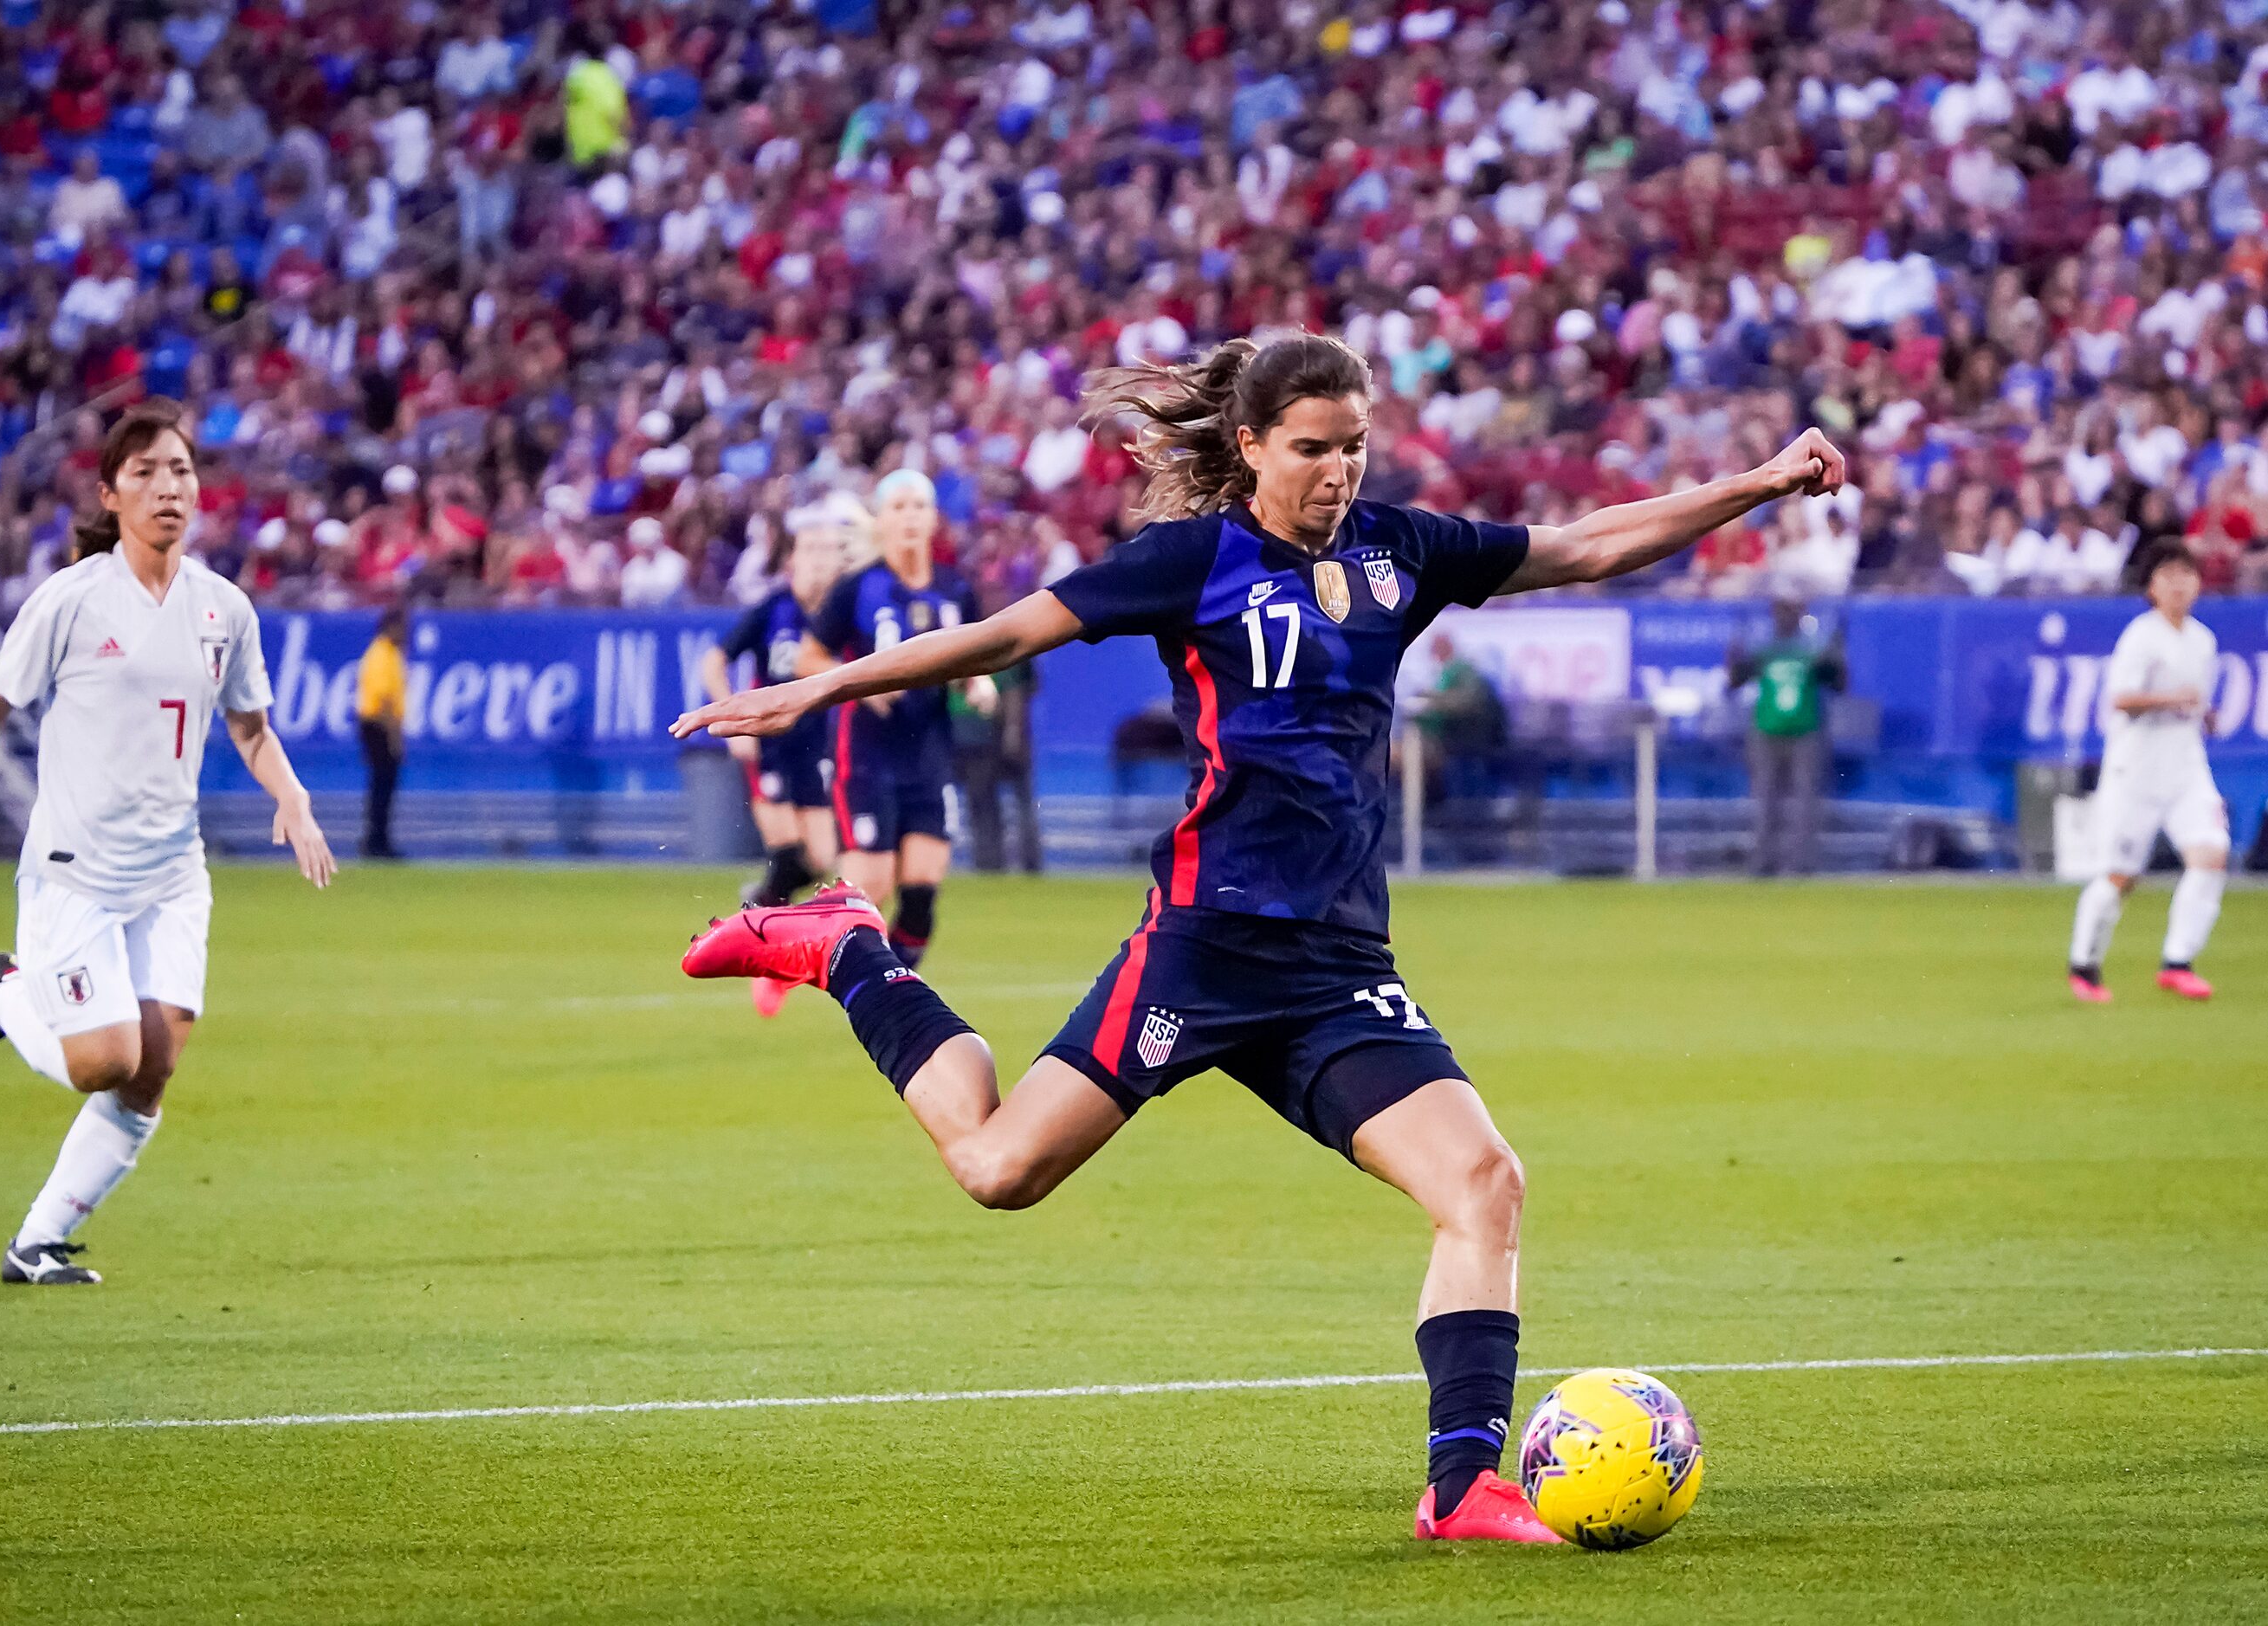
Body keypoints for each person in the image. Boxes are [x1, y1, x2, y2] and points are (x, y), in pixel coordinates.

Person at [670, 334, 1845, 1543]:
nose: (1338, 470)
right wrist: (821, 688)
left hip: (1338, 970)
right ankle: (849, 946)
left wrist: (1753, 484)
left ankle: (1459, 1487)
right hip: (1202, 948)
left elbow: (1586, 544)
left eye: (1353, 446)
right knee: (998, 1170)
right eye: (1311, 448)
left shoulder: (1403, 549)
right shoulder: (1192, 560)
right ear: (1248, 447)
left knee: (1484, 1181)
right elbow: (1010, 634)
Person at [0, 400, 337, 1286]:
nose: (167, 488)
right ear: (110, 494)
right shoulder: (72, 599)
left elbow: (253, 730)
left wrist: (294, 802)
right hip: (76, 870)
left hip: (171, 873)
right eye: (146, 473)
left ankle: (35, 1242)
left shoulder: (223, 609)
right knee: (103, 1061)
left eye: (181, 471)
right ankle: (3, 997)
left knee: (151, 1071)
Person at [802, 468, 995, 969]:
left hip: (928, 753)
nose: (909, 517)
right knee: (872, 887)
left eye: (918, 506)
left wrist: (979, 683)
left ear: (934, 518)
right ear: (882, 520)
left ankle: (891, 995)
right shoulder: (858, 588)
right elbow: (810, 661)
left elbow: (971, 661)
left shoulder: (955, 592)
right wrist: (861, 684)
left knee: (922, 892)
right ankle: (793, 947)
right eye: (898, 507)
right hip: (867, 752)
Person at [697, 499, 849, 1015]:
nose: (822, 560)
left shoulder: (842, 615)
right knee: (788, 854)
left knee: (822, 861)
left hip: (820, 747)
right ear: (793, 560)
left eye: (831, 551)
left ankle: (757, 906)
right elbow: (714, 660)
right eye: (813, 550)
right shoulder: (775, 609)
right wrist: (731, 723)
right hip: (772, 745)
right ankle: (764, 947)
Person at [2067, 543, 2228, 1003]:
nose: (2180, 583)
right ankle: (2085, 965)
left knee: (2211, 857)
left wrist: (2204, 714)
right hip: (2134, 772)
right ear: (2152, 586)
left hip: (2186, 769)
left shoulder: (2203, 641)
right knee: (2119, 877)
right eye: (2169, 574)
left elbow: (2196, 702)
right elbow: (2120, 699)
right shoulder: (2141, 636)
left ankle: (2178, 961)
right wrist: (2170, 699)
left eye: (2187, 573)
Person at [1728, 598, 1845, 877]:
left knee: (1805, 802)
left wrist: (1835, 658)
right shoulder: (1764, 652)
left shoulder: (1812, 653)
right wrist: (1733, 657)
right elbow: (1735, 681)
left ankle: (1800, 864)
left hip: (1805, 730)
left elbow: (1838, 683)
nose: (1786, 619)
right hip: (1767, 729)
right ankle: (1762, 863)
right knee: (1764, 801)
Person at [357, 604, 407, 859]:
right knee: (382, 785)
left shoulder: (385, 653)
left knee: (382, 785)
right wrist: (395, 737)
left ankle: (377, 839)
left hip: (376, 725)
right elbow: (385, 702)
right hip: (378, 726)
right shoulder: (382, 654)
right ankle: (376, 841)